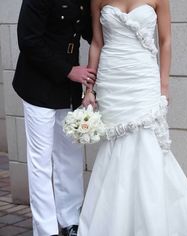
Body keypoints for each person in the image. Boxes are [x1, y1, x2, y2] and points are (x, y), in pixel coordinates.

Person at [80, 0, 187, 235]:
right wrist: (89, 89)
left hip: (143, 78)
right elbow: (97, 43)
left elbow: (166, 41)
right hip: (112, 79)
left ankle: (152, 223)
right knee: (116, 149)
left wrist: (163, 86)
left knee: (148, 145)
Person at [12, 0, 96, 235]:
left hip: (67, 88)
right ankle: (46, 230)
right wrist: (68, 71)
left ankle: (70, 221)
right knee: (41, 163)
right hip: (38, 85)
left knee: (70, 157)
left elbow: (91, 33)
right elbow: (28, 39)